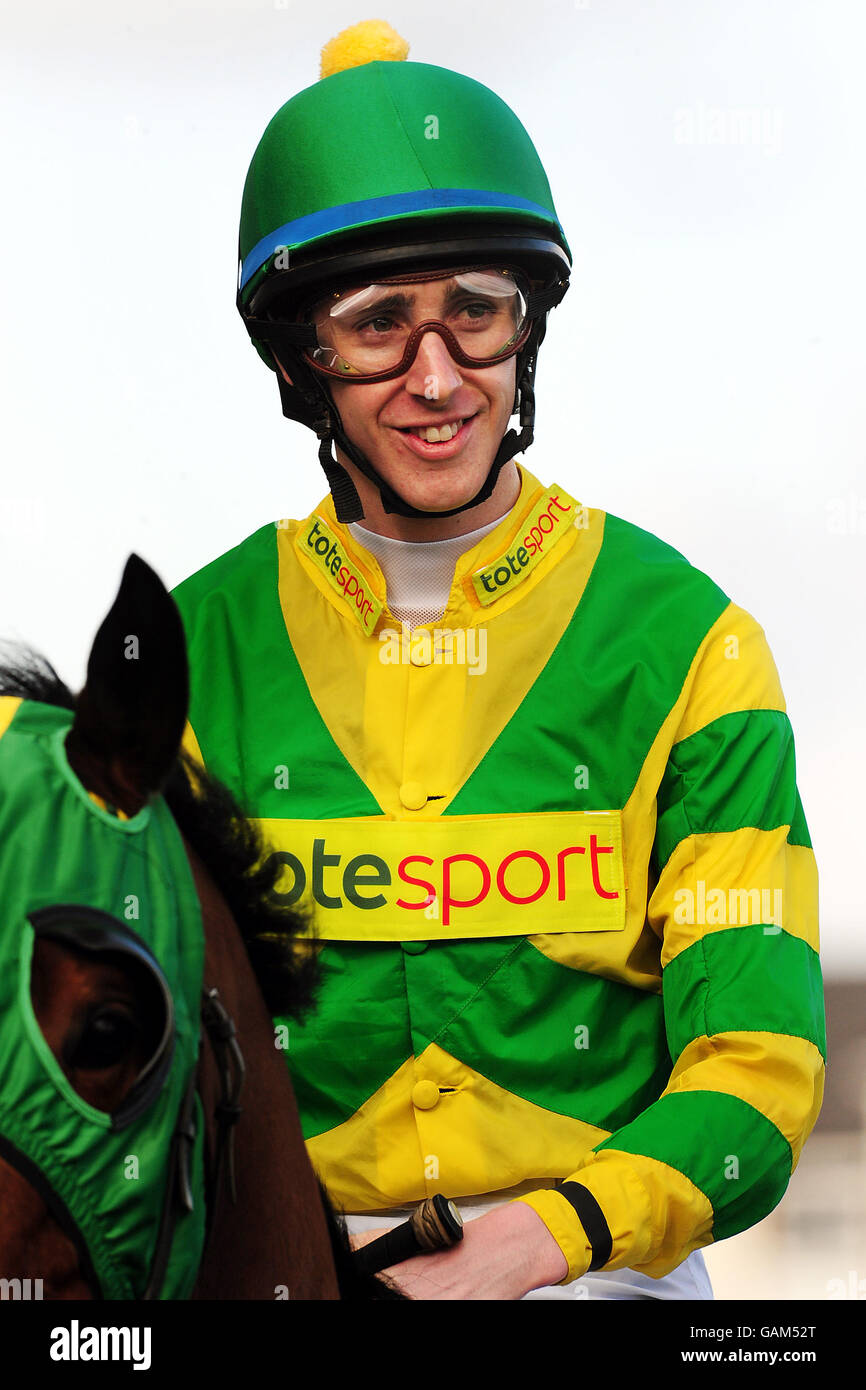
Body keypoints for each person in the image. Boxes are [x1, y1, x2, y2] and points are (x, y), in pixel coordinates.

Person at [171, 20, 825, 1300]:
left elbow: (757, 1071)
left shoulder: (692, 644)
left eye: (474, 313)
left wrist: (523, 1249)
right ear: (303, 359)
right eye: (378, 326)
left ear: (526, 331)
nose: (436, 377)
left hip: (601, 1275)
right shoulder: (192, 652)